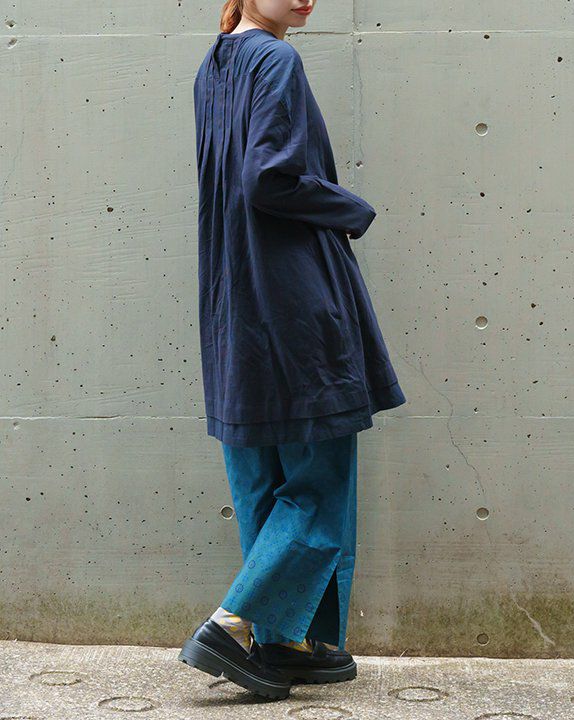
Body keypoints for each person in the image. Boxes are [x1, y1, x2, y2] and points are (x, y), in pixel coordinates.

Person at [177, 0, 407, 700]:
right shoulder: (276, 58)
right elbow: (268, 178)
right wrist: (349, 209)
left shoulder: (213, 64)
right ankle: (233, 625)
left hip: (236, 301)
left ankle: (285, 644)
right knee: (318, 480)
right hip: (291, 298)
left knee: (262, 475)